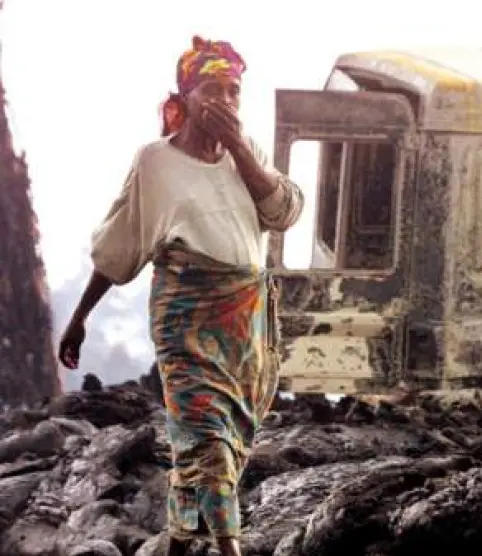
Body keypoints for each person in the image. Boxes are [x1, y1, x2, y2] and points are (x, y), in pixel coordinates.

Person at [57, 36, 304, 556]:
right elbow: (121, 243)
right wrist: (79, 318)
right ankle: (230, 548)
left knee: (219, 443)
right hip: (186, 321)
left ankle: (177, 543)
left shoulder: (246, 154)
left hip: (246, 329)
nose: (225, 100)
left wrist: (239, 147)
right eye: (211, 89)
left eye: (233, 91)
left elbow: (282, 213)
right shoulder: (155, 162)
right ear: (185, 97)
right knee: (208, 438)